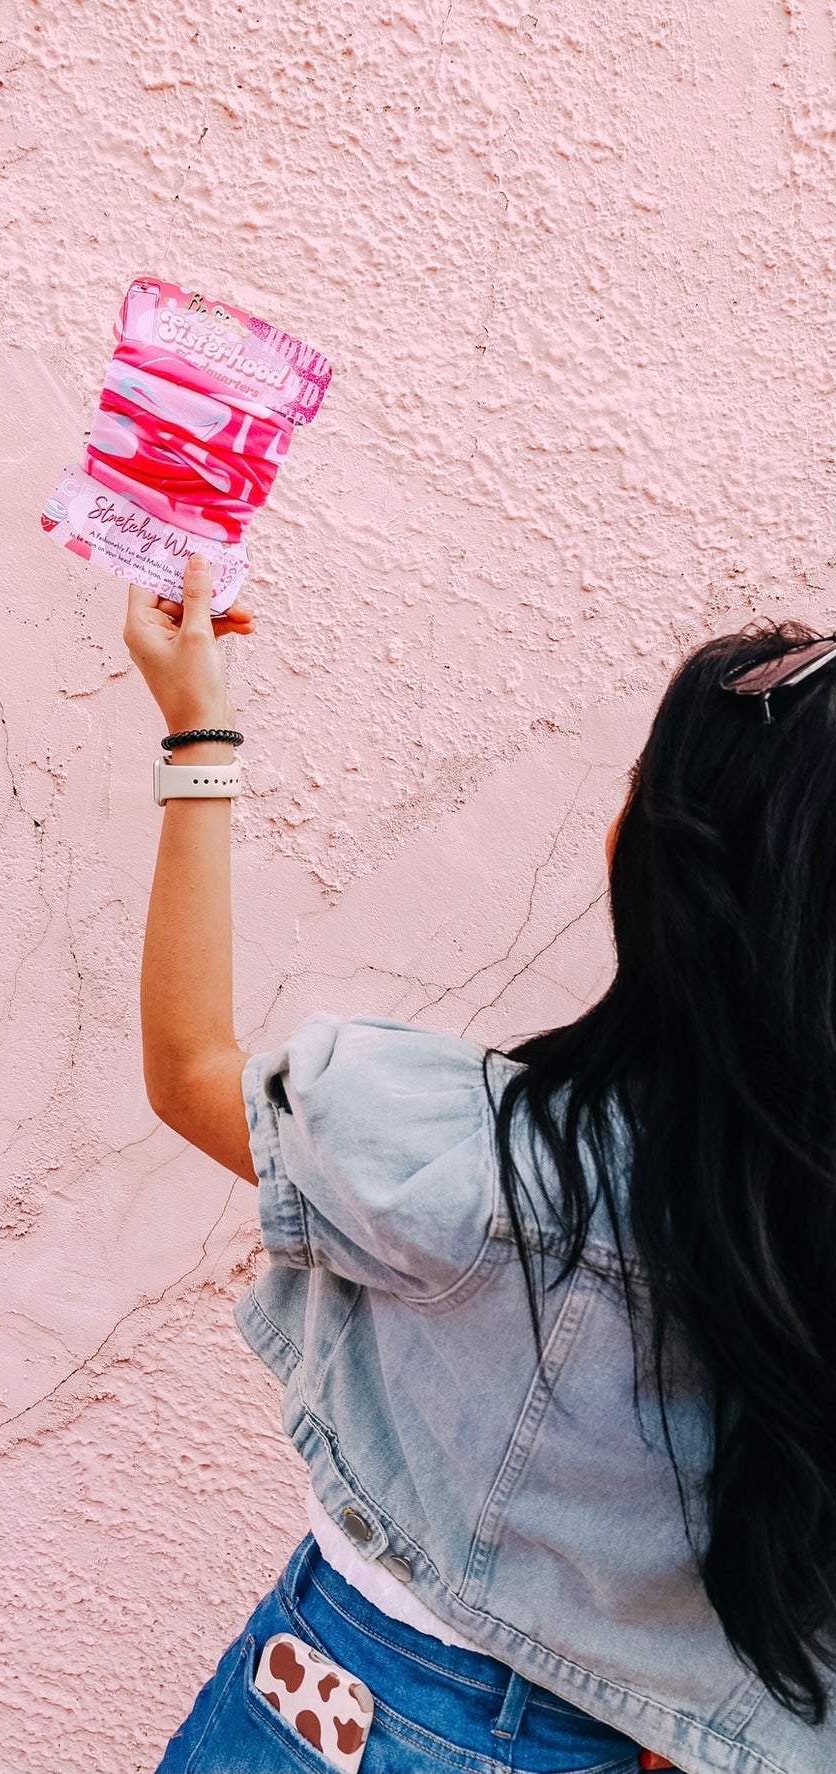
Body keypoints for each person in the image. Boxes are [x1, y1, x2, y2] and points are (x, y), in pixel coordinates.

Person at [122, 554, 836, 1774]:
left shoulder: (477, 1160)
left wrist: (199, 732)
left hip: (334, 1712)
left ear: (644, 861)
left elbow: (191, 1069)